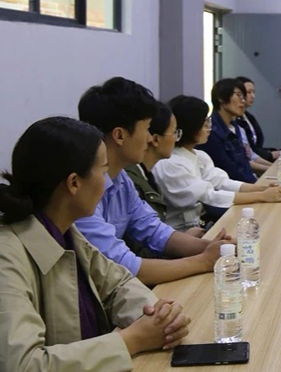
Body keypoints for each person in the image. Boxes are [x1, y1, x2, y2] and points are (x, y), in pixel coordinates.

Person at [0, 117, 191, 371]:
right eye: (103, 171)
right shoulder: (8, 256)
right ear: (74, 183)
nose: (106, 182)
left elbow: (118, 285)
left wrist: (159, 316)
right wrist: (131, 340)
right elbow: (24, 365)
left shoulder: (67, 233)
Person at [75, 77, 233, 286]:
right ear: (120, 135)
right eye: (147, 129)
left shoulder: (121, 178)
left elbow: (154, 230)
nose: (150, 139)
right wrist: (203, 261)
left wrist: (211, 247)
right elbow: (120, 266)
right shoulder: (81, 190)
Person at [153, 95, 281, 232]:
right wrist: (261, 196)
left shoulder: (199, 156)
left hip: (201, 223)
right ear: (190, 126)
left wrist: (262, 189)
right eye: (204, 123)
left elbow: (221, 182)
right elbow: (209, 196)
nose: (209, 127)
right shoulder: (171, 164)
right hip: (182, 232)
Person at [124, 102, 205, 238]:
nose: (176, 139)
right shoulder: (132, 180)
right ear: (156, 139)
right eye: (174, 132)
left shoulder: (146, 174)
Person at [197, 79, 265, 183]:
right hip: (232, 187)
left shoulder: (235, 127)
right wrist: (257, 187)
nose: (243, 101)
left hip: (247, 184)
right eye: (238, 95)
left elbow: (244, 163)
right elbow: (231, 171)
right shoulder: (212, 132)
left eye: (243, 96)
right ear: (221, 98)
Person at [236, 76, 281, 161]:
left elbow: (257, 147)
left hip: (258, 156)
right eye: (248, 92)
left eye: (253, 92)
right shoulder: (236, 122)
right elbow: (249, 153)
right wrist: (270, 155)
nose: (253, 96)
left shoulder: (249, 117)